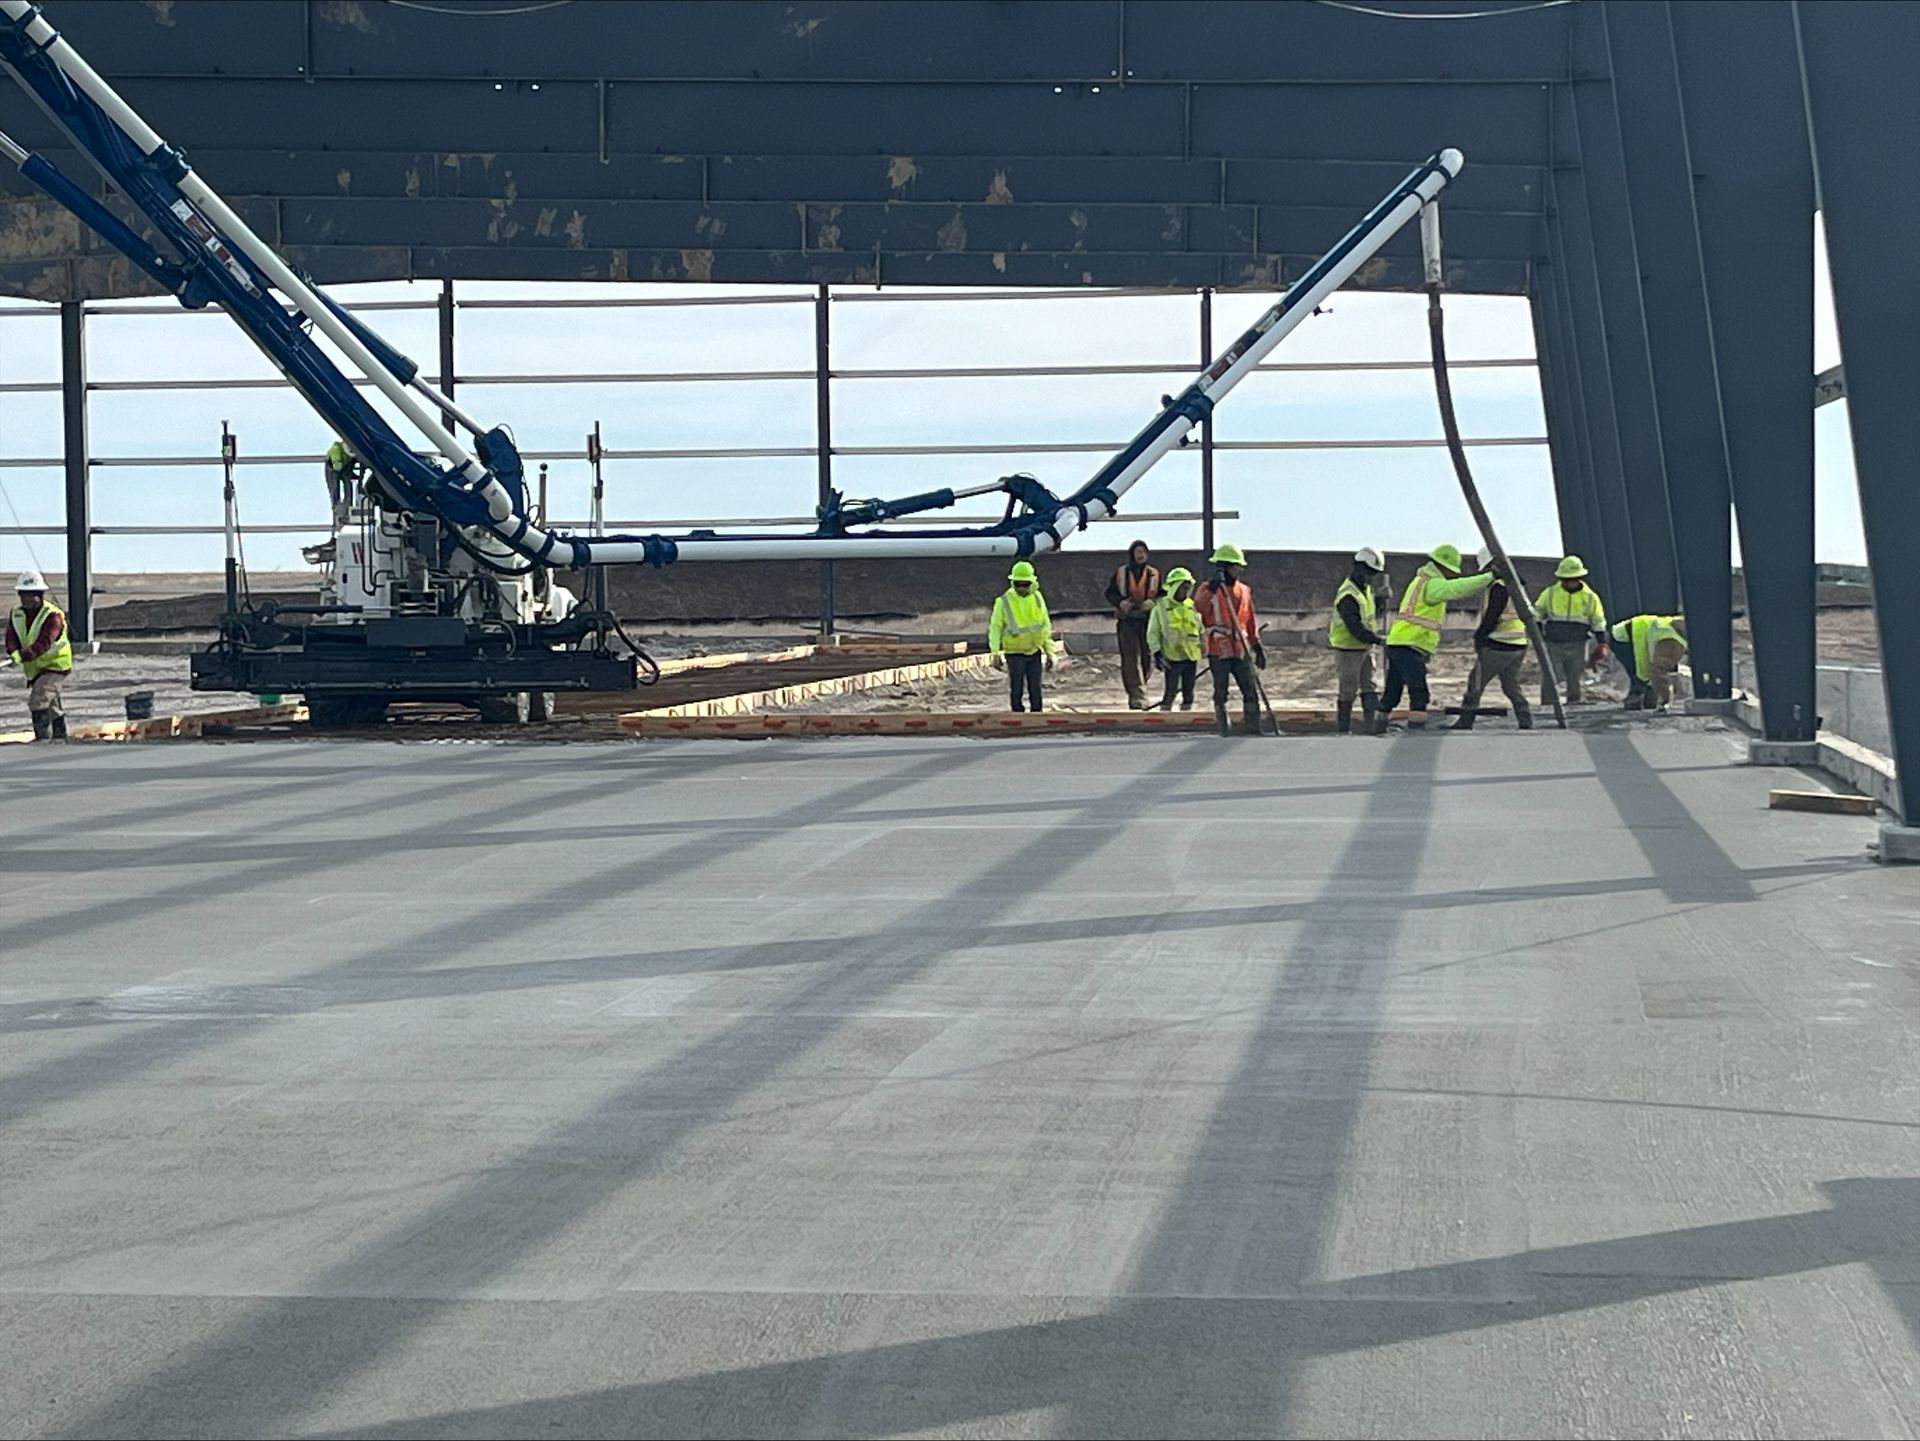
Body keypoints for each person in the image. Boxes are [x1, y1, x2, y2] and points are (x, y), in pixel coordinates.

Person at [1376, 543, 1494, 733]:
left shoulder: (1420, 580)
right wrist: (1489, 577)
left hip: (1401, 641)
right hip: (1411, 642)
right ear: (1444, 566)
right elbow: (1457, 588)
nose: (1452, 575)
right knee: (1418, 690)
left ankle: (1377, 723)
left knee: (1393, 689)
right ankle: (1416, 728)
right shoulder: (1432, 584)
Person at [1451, 546, 1533, 730]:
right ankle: (1525, 719)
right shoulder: (1517, 585)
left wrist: (1480, 637)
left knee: (1476, 682)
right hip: (1518, 643)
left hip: (1499, 644)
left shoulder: (1499, 587)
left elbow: (1492, 616)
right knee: (1510, 685)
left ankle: (1466, 720)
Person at [1193, 543, 1264, 736]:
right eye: (1235, 566)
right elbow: (1200, 607)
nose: (1238, 570)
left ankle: (1253, 727)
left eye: (1239, 567)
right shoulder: (1208, 589)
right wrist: (1212, 589)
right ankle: (1224, 728)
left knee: (1250, 688)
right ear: (1223, 567)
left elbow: (1250, 619)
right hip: (1219, 649)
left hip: (1241, 649)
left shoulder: (1245, 590)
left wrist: (1257, 645)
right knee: (1221, 691)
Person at [7, 569, 73, 742]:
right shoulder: (16, 613)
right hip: (35, 668)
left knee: (39, 700)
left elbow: (44, 643)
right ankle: (60, 737)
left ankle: (42, 740)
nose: (27, 599)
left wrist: (22, 655)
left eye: (32, 595)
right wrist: (13, 651)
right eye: (23, 594)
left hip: (55, 666)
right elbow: (12, 636)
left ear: (40, 595)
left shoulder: (53, 616)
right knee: (52, 704)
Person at [1328, 546, 1389, 734]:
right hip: (1348, 650)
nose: (1371, 577)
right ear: (1359, 568)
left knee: (1369, 686)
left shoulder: (1366, 590)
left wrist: (1381, 602)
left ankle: (1371, 727)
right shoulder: (1348, 595)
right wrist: (1377, 640)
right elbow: (1355, 627)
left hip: (1365, 648)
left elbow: (1370, 616)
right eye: (1370, 573)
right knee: (1348, 690)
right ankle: (1343, 730)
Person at [1533, 555, 1607, 704]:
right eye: (1566, 579)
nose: (1570, 582)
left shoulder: (1590, 597)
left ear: (1579, 578)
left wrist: (1601, 642)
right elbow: (1538, 612)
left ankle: (1574, 703)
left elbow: (1597, 619)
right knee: (1550, 675)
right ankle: (1548, 705)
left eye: (1573, 579)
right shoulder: (1550, 593)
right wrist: (1538, 631)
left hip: (1578, 643)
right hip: (1554, 642)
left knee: (1576, 676)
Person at [988, 560, 1056, 713]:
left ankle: (1037, 716)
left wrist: (1050, 652)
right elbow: (995, 628)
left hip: (1034, 651)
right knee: (1016, 688)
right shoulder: (1003, 601)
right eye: (1018, 584)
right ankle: (1017, 715)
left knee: (1035, 688)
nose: (1021, 588)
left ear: (1032, 583)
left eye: (1025, 584)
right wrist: (995, 652)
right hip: (1014, 653)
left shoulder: (1037, 598)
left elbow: (1045, 627)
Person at [1104, 539, 1161, 709]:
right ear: (1132, 554)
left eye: (1143, 552)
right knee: (1130, 658)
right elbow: (1109, 593)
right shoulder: (1121, 573)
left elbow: (1163, 594)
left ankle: (1140, 687)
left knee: (1146, 658)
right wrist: (1120, 602)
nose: (1141, 555)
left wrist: (1153, 603)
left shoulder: (1154, 574)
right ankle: (1137, 696)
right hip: (1127, 621)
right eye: (1138, 552)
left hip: (1147, 621)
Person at [1146, 565, 1203, 710]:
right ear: (1174, 587)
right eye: (1183, 588)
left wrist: (1204, 644)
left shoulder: (1191, 606)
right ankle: (1166, 713)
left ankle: (1186, 713)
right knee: (1170, 690)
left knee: (1189, 691)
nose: (1186, 591)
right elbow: (1153, 633)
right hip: (1172, 657)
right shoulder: (1161, 607)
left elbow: (1200, 627)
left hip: (1190, 656)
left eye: (1188, 588)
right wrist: (1157, 653)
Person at [1610, 613, 1689, 710]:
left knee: (1643, 672)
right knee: (1643, 673)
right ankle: (1643, 696)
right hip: (1626, 636)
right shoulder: (1672, 641)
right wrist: (1666, 698)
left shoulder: (1666, 627)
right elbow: (1657, 668)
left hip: (1624, 633)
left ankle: (1646, 696)